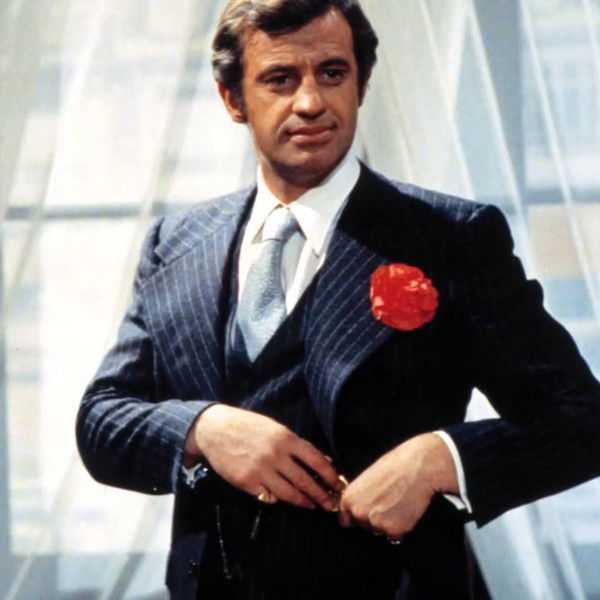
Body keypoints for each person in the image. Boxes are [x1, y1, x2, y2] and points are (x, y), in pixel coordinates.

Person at [76, 1, 600, 598]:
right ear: (232, 99)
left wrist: (439, 459)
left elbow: (581, 417)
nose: (310, 103)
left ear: (362, 83)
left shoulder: (449, 238)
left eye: (332, 73)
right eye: (280, 79)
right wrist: (204, 429)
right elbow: (102, 419)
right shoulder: (176, 245)